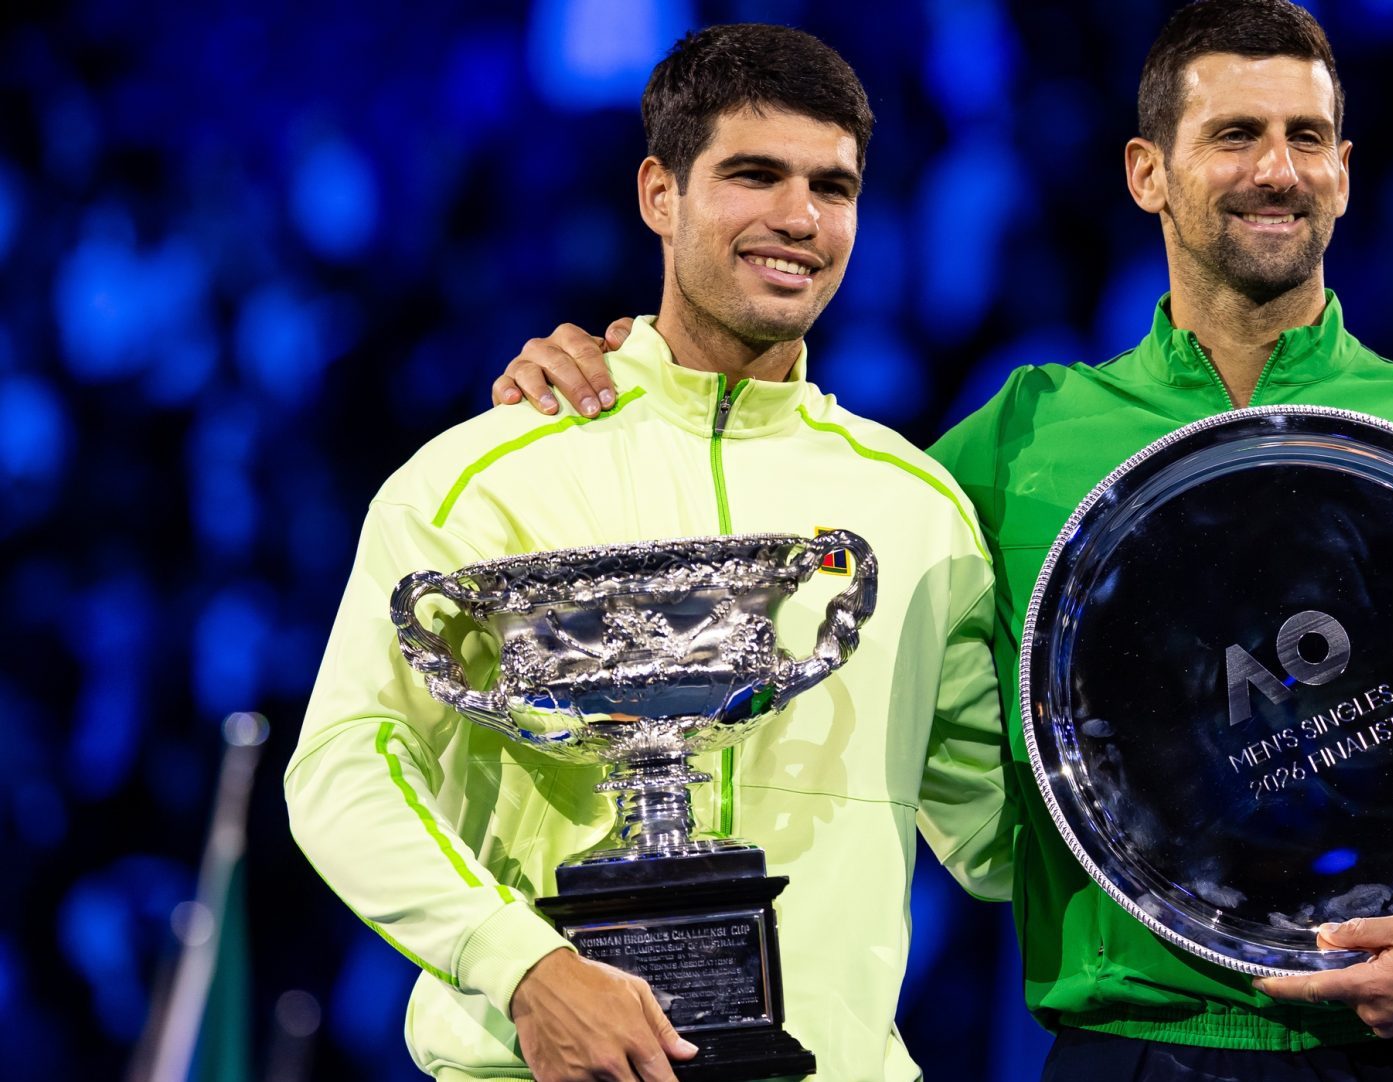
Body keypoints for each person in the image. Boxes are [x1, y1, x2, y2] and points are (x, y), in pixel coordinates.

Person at [491, 3, 1393, 1079]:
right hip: (1135, 1050)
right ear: (1146, 171)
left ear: (1348, 175)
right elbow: (762, 573)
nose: (1278, 169)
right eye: (1236, 134)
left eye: (1310, 138)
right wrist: (631, 389)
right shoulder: (1026, 442)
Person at [287, 24, 1012, 1082]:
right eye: (753, 174)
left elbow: (1000, 835)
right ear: (658, 194)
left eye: (833, 186)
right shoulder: (486, 477)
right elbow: (345, 767)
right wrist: (524, 965)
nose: (799, 218)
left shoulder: (914, 505)